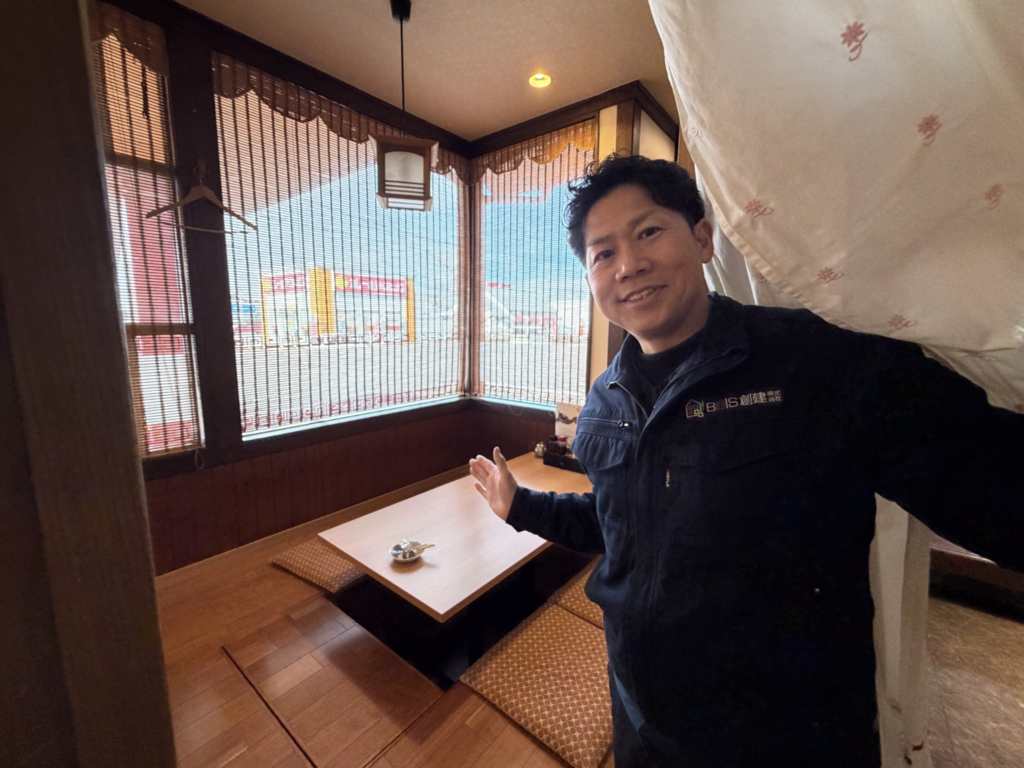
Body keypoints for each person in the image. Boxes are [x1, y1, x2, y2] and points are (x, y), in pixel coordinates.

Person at [468, 154, 1024, 767]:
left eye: (648, 231)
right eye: (603, 254)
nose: (628, 265)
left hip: (786, 741)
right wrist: (520, 506)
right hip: (641, 724)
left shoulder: (812, 360)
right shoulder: (605, 400)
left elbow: (980, 472)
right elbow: (620, 526)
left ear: (702, 238)